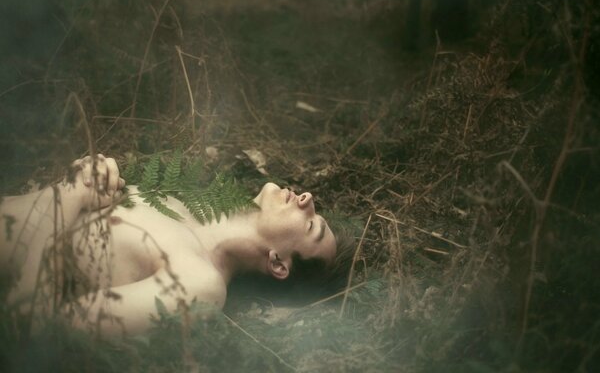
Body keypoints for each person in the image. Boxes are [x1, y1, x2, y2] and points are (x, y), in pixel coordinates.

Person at [0, 154, 354, 337]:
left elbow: (35, 323)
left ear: (279, 264)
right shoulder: (181, 202)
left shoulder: (199, 282)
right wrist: (88, 172)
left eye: (312, 226)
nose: (307, 197)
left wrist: (70, 193)